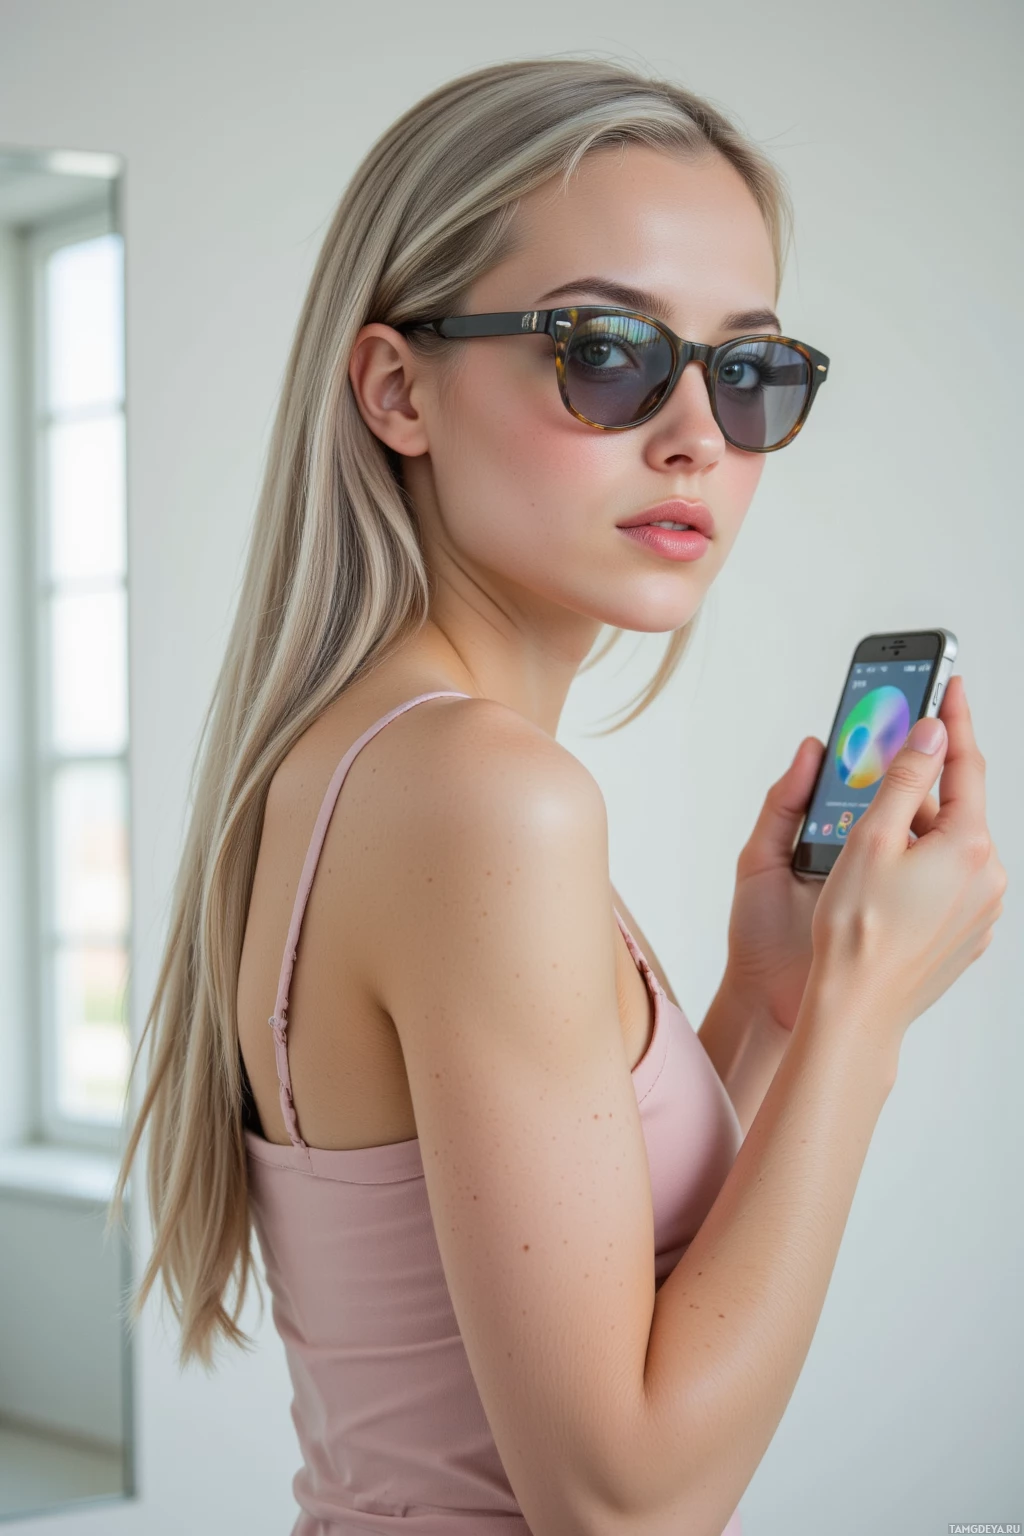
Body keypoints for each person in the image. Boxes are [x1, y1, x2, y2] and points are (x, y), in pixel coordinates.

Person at [109, 56, 1006, 1536]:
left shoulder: (374, 760)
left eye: (751, 368)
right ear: (399, 387)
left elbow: (596, 1270)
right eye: (607, 352)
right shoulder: (486, 795)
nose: (698, 436)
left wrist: (768, 1012)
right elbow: (623, 1508)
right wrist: (863, 1006)